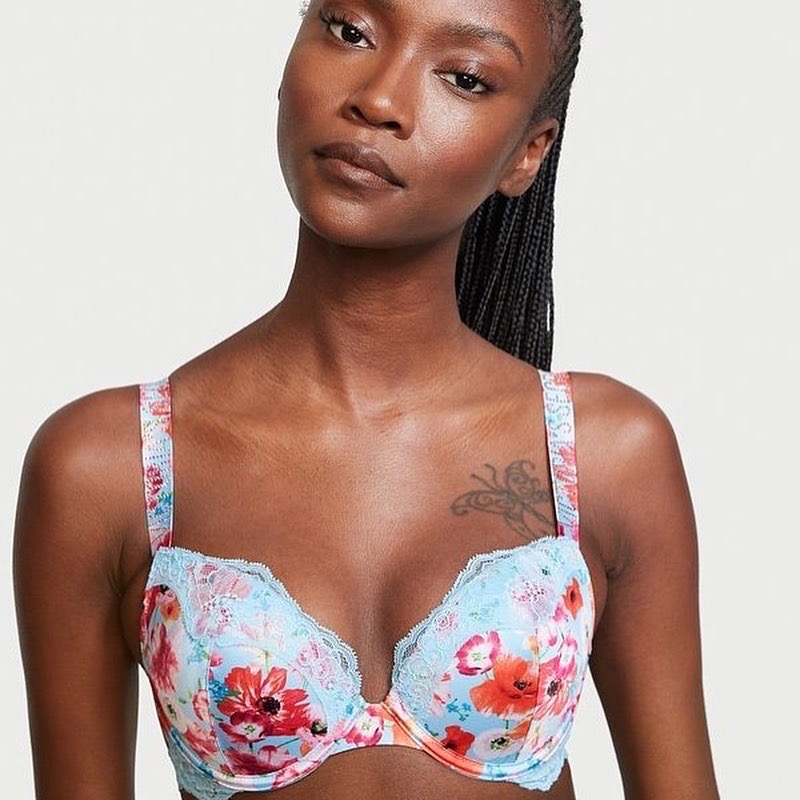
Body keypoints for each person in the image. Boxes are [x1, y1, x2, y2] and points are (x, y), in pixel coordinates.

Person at [13, 0, 720, 798]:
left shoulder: (604, 454)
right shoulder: (110, 467)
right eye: (350, 31)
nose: (379, 99)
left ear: (528, 152)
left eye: (465, 77)